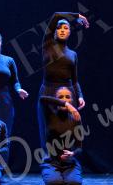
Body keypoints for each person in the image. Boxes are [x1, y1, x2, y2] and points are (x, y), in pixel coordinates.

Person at [37, 12, 89, 151]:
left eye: (66, 28)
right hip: (48, 92)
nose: (62, 30)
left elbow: (75, 79)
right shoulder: (47, 45)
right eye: (59, 28)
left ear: (70, 32)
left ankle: (69, 158)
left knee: (68, 128)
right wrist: (77, 15)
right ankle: (49, 161)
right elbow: (56, 15)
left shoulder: (73, 54)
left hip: (68, 93)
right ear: (54, 32)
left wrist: (80, 95)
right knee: (48, 130)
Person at [38, 87, 84, 185]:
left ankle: (66, 176)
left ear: (72, 100)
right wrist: (66, 104)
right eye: (60, 97)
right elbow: (42, 99)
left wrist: (72, 153)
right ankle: (52, 176)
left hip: (69, 163)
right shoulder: (50, 115)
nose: (64, 99)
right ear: (56, 99)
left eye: (67, 97)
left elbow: (79, 147)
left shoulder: (75, 118)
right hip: (51, 162)